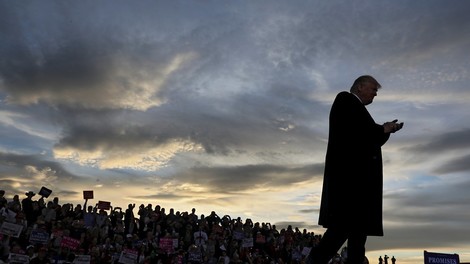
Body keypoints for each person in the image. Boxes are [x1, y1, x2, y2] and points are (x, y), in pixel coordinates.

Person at [310, 75, 404, 264]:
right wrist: (384, 128)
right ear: (360, 87)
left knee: (357, 235)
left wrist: (386, 130)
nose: (375, 94)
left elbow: (369, 138)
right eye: (373, 89)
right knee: (341, 229)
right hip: (349, 184)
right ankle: (314, 261)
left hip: (359, 187)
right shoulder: (345, 99)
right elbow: (361, 133)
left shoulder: (356, 110)